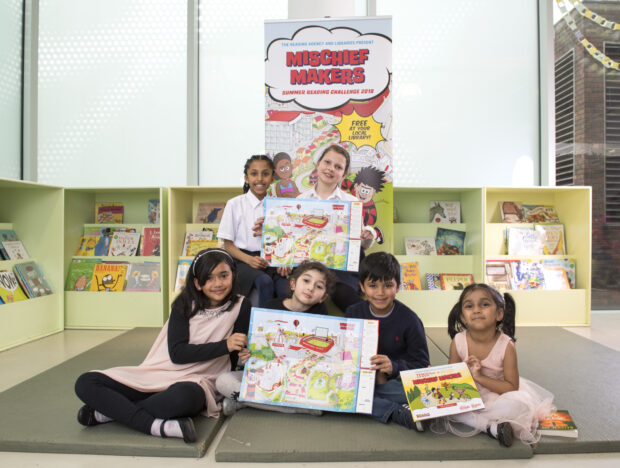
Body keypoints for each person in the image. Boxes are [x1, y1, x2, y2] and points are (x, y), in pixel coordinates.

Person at [74, 249, 251, 443]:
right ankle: (156, 426)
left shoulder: (242, 305)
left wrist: (244, 353)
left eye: (223, 276)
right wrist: (224, 345)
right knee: (86, 382)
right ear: (197, 283)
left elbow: (234, 355)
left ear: (233, 275)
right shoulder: (184, 303)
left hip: (199, 380)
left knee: (184, 398)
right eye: (208, 278)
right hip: (158, 373)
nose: (217, 284)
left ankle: (110, 412)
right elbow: (177, 354)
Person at [254, 144, 375, 312]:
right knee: (286, 291)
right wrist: (284, 259)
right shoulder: (300, 200)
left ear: (344, 174)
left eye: (338, 167)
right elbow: (290, 236)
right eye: (327, 162)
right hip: (306, 266)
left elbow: (359, 244)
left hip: (339, 270)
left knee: (346, 297)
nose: (331, 169)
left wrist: (366, 237)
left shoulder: (351, 203)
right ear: (318, 164)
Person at [431, 283, 555, 446]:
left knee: (518, 406)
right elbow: (451, 379)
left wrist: (480, 377)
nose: (476, 310)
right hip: (468, 393)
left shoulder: (506, 346)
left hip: (498, 395)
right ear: (463, 317)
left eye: (484, 304)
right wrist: (462, 374)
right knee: (439, 399)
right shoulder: (458, 341)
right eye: (469, 306)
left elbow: (511, 387)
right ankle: (490, 427)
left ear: (499, 314)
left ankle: (483, 423)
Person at [215, 260, 336, 415]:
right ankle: (300, 408)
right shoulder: (270, 307)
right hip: (267, 374)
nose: (310, 288)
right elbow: (256, 348)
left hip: (297, 379)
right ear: (292, 284)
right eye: (306, 280)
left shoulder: (321, 316)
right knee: (224, 381)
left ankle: (244, 402)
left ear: (322, 297)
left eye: (318, 286)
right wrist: (248, 355)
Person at [345, 251, 430, 431]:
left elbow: (422, 364)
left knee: (422, 390)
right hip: (361, 380)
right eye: (373, 285)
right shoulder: (353, 313)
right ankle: (395, 411)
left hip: (395, 381)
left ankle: (369, 401)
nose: (380, 293)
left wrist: (394, 366)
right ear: (362, 287)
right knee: (349, 390)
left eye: (388, 285)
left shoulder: (410, 320)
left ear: (398, 286)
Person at [218, 154, 287, 306]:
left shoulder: (280, 206)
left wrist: (285, 261)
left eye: (265, 173)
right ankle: (261, 328)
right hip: (243, 260)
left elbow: (286, 240)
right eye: (254, 173)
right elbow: (227, 245)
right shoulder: (234, 204)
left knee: (285, 288)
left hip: (273, 260)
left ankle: (281, 328)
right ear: (246, 178)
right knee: (264, 282)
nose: (260, 179)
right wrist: (249, 260)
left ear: (272, 178)